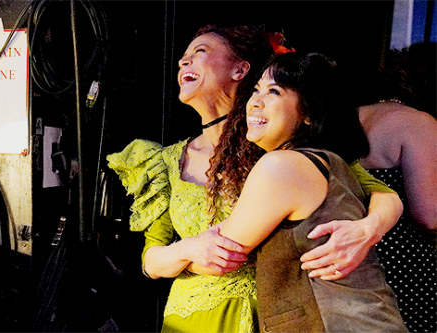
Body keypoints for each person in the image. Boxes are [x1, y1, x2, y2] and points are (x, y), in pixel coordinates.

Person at [107, 25, 402, 333]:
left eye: (200, 52)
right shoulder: (167, 160)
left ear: (240, 69)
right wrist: (186, 250)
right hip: (191, 317)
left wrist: (370, 228)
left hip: (273, 310)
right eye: (183, 56)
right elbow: (150, 259)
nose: (183, 61)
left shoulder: (278, 145)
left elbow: (380, 193)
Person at [202, 52, 408, 332]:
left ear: (309, 113)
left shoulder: (282, 165)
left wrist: (162, 258)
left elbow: (223, 253)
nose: (255, 102)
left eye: (274, 91)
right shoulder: (329, 161)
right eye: (255, 90)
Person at [356, 46, 437, 332]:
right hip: (403, 269)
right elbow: (429, 217)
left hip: (353, 264)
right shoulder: (417, 122)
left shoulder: (352, 115)